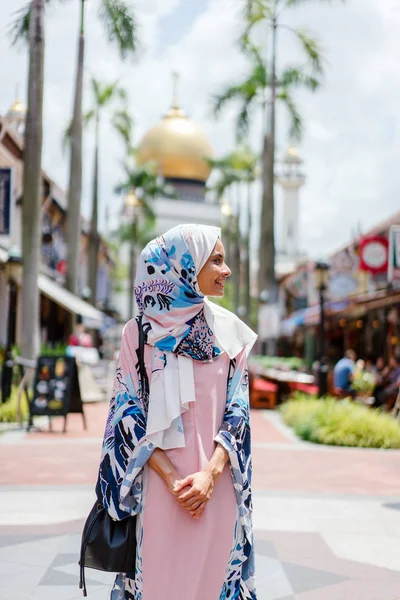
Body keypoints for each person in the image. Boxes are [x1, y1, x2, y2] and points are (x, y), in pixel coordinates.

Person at [96, 224, 258, 600]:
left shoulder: (230, 332)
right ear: (184, 266)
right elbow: (127, 416)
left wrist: (209, 477)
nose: (226, 269)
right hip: (158, 491)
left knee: (211, 585)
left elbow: (238, 413)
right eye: (216, 260)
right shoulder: (138, 333)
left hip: (217, 491)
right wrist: (175, 482)